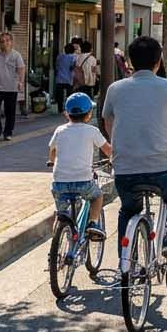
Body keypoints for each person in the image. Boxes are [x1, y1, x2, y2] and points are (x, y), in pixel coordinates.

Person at [102, 36, 167, 267]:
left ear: (130, 61)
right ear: (158, 62)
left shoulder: (115, 89)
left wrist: (116, 147)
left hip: (125, 169)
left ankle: (125, 263)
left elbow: (108, 121)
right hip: (162, 169)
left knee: (128, 209)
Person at [47, 92, 112, 241]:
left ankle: (57, 239)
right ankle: (93, 223)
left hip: (59, 183)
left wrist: (51, 161)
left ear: (67, 114)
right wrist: (114, 159)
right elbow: (108, 150)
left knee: (61, 213)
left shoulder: (60, 130)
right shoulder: (92, 131)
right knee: (97, 196)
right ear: (89, 115)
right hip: (83, 182)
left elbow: (53, 149)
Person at [0, 32, 25, 142]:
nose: (5, 43)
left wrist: (21, 82)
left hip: (11, 88)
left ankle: (8, 132)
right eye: (2, 41)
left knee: (10, 111)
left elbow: (21, 68)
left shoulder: (16, 55)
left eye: (7, 41)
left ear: (11, 42)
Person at [54, 43, 77, 113]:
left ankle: (60, 109)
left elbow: (56, 67)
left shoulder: (59, 56)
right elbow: (73, 67)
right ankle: (69, 108)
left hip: (60, 78)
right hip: (69, 78)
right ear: (73, 50)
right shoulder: (73, 57)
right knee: (70, 95)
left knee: (60, 95)